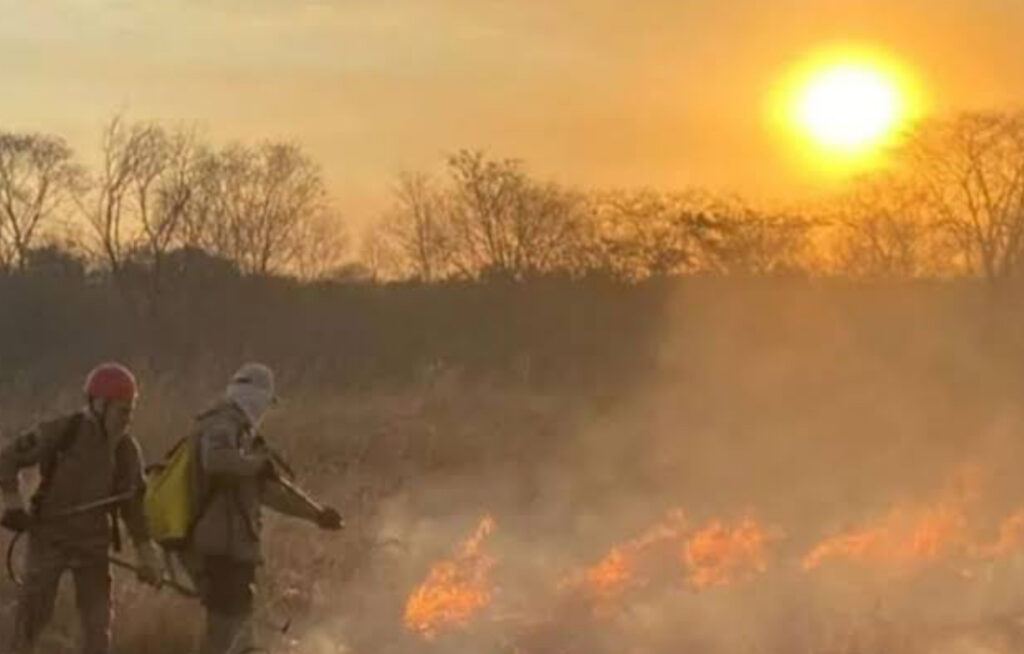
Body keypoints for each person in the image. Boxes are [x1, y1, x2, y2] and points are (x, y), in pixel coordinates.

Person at [0, 362, 161, 654]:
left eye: (131, 411)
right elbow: (7, 458)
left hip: (93, 547)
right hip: (50, 539)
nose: (127, 420)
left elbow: (134, 506)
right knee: (31, 620)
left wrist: (146, 555)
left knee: (98, 629)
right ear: (99, 405)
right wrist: (12, 505)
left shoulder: (127, 450)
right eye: (122, 411)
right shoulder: (63, 431)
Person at [183, 362, 342, 654]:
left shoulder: (244, 434)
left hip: (237, 549)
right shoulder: (221, 424)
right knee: (223, 631)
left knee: (239, 631)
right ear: (255, 398)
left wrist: (316, 514)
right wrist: (256, 465)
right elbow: (214, 460)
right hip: (218, 546)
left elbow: (273, 492)